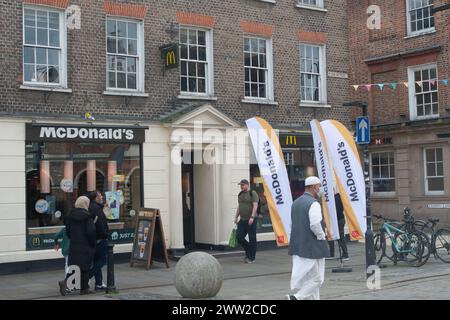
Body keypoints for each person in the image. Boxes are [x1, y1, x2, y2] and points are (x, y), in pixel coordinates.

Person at [287, 176, 329, 300]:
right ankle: (296, 297)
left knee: (308, 279)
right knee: (317, 279)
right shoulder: (313, 203)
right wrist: (321, 237)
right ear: (314, 187)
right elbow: (315, 224)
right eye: (319, 186)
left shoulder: (296, 202)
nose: (320, 188)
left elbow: (291, 224)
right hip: (312, 246)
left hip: (298, 245)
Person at [59, 196, 96, 295]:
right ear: (85, 204)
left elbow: (68, 231)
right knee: (84, 267)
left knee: (75, 266)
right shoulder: (87, 217)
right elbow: (91, 232)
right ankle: (67, 283)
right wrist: (93, 242)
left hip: (75, 245)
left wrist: (74, 239)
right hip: (85, 245)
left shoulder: (70, 216)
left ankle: (84, 289)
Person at [88, 190, 110, 291]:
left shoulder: (91, 207)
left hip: (94, 239)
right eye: (100, 195)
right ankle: (87, 277)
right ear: (96, 198)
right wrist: (105, 235)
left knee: (97, 261)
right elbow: (100, 224)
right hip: (100, 239)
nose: (102, 197)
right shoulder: (96, 208)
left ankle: (99, 284)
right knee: (102, 261)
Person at [234, 179, 259, 264]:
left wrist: (252, 217)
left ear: (247, 185)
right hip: (242, 219)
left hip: (251, 219)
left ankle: (251, 258)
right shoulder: (240, 194)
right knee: (239, 237)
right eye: (240, 185)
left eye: (242, 185)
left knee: (252, 238)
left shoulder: (253, 193)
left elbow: (255, 206)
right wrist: (236, 217)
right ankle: (249, 250)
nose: (241, 187)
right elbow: (239, 206)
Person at [327, 193, 349, 261]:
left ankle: (345, 254)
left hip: (338, 220)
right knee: (331, 235)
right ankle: (332, 253)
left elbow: (338, 210)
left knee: (340, 237)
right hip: (336, 220)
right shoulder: (335, 198)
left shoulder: (336, 198)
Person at [54, 225, 73, 294]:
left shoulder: (64, 229)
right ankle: (67, 284)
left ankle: (68, 284)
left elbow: (56, 236)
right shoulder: (74, 228)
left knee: (67, 265)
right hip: (72, 249)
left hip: (65, 250)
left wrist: (56, 244)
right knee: (70, 266)